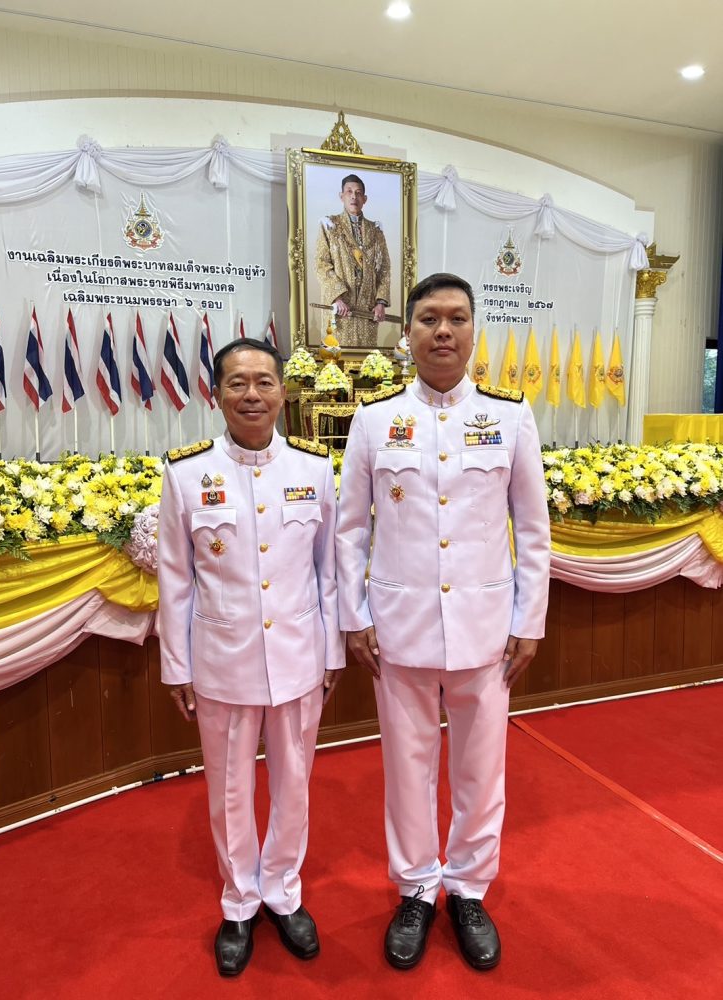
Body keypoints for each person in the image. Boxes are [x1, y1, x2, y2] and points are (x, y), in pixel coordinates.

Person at [336, 273, 550, 972]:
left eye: (457, 318)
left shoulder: (510, 417)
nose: (443, 331)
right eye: (429, 318)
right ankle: (416, 889)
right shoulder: (374, 421)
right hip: (398, 626)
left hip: (486, 625)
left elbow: (533, 529)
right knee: (407, 766)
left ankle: (468, 888)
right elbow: (349, 530)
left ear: (474, 331)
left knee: (481, 768)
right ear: (407, 333)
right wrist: (355, 615)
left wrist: (530, 618)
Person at [157, 337, 344, 977]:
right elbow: (175, 579)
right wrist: (177, 666)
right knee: (230, 789)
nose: (252, 394)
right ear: (217, 394)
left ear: (283, 393)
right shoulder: (187, 474)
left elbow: (328, 571)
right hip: (222, 659)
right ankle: (239, 901)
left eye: (264, 381)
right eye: (237, 382)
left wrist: (333, 651)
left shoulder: (314, 469)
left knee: (294, 783)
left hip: (298, 655)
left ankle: (283, 892)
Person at [314, 173, 391, 349]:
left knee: (367, 361)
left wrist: (380, 303)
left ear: (365, 199)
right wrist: (337, 297)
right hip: (341, 309)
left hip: (367, 310)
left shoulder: (375, 230)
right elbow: (321, 264)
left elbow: (384, 268)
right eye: (349, 191)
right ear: (341, 196)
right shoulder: (330, 225)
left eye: (358, 193)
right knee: (337, 357)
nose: (353, 196)